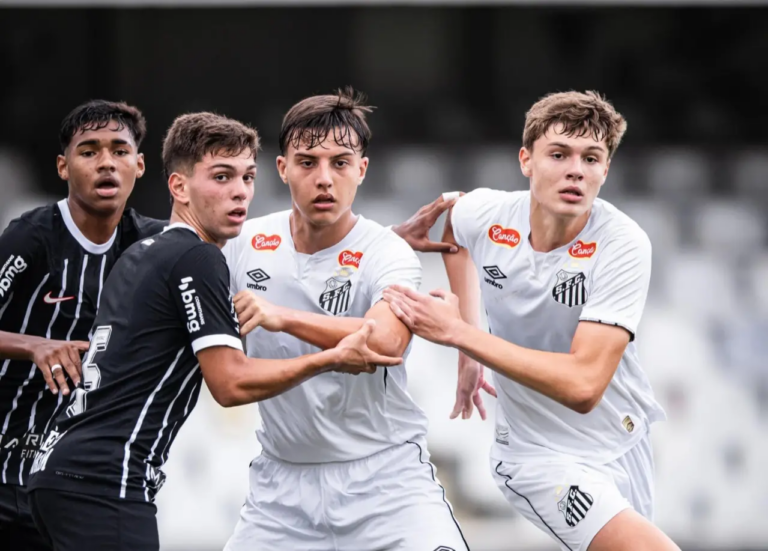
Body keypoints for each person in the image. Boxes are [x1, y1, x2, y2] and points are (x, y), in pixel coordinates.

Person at [26, 111, 400, 551]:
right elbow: (229, 382)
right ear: (179, 186)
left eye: (247, 177)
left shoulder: (143, 251)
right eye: (221, 177)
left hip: (57, 473)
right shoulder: (198, 258)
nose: (239, 191)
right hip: (104, 481)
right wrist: (330, 358)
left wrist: (382, 239)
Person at [383, 91, 681, 551]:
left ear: (606, 170)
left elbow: (584, 387)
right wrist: (468, 348)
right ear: (526, 160)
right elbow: (455, 230)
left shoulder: (623, 243)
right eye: (558, 154)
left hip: (622, 442)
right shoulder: (487, 212)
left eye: (591, 158)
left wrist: (462, 334)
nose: (575, 170)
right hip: (537, 456)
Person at [223, 88, 469, 551]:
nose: (324, 178)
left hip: (386, 485)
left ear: (362, 170)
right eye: (307, 162)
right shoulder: (241, 242)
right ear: (281, 170)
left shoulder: (386, 251)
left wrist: (281, 317)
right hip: (281, 493)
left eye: (339, 162)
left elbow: (385, 344)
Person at [0, 100, 166, 550]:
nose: (106, 162)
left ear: (140, 164)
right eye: (89, 151)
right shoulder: (30, 237)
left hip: (72, 482)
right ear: (62, 166)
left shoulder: (154, 245)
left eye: (119, 150)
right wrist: (34, 347)